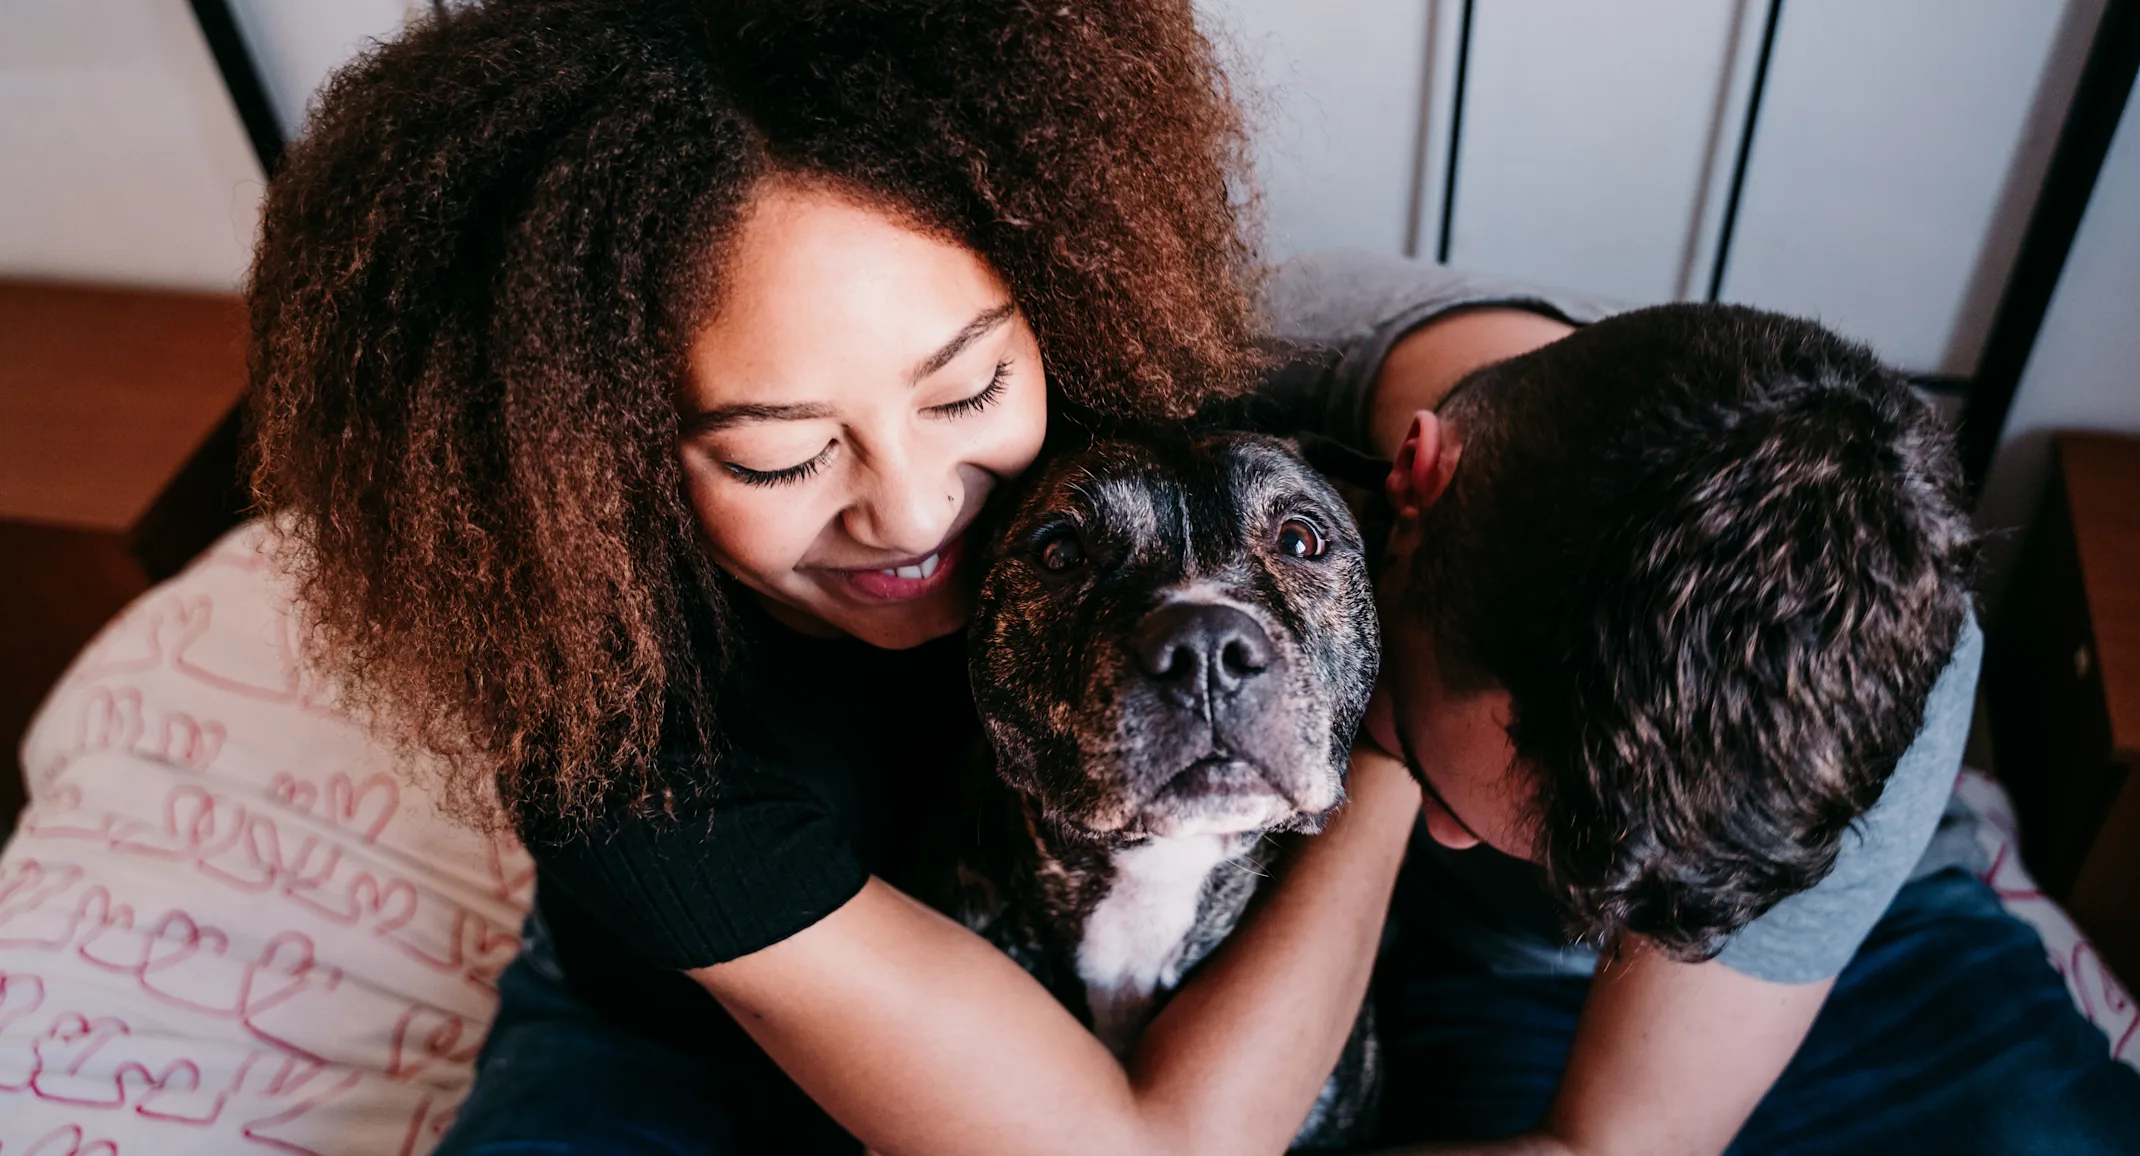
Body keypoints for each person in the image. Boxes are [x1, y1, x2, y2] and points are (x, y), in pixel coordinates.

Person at [245, 2, 1420, 1154]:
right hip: (677, 1029)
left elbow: (1411, 351)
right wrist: (1389, 748)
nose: (912, 511)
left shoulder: (1111, 411)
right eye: (781, 454)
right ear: (599, 457)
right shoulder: (623, 754)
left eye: (965, 389)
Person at [1241, 250, 2140, 1154]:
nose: (1442, 832)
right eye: (1424, 769)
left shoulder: (1888, 626)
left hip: (1886, 931)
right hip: (1510, 978)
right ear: (1416, 475)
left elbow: (1627, 1142)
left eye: (1428, 779)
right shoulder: (1234, 368)